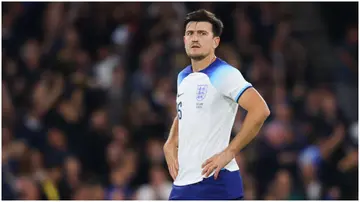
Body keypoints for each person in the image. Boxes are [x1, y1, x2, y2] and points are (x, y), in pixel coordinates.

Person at [163, 9, 270, 200]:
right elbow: (184, 113)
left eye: (202, 33)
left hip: (215, 181)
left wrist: (230, 151)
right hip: (183, 183)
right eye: (190, 33)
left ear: (215, 42)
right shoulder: (183, 76)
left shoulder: (225, 73)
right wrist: (171, 141)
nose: (195, 38)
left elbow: (260, 110)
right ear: (184, 40)